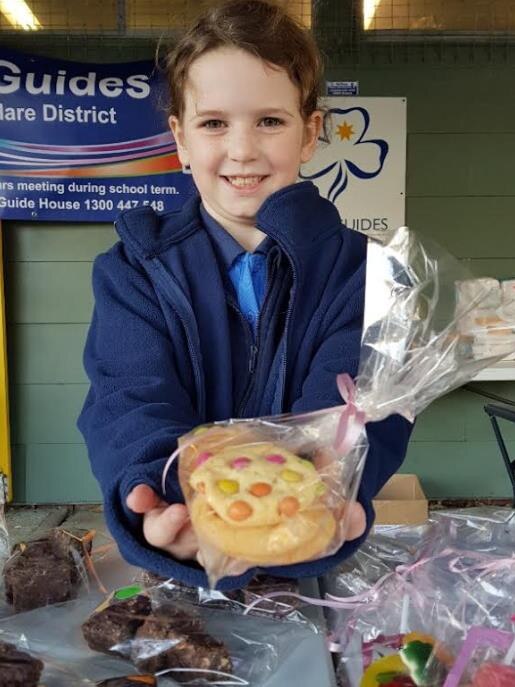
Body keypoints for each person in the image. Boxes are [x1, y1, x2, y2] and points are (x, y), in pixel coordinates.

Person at [78, 0, 412, 590]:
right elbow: (129, 396)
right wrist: (162, 486)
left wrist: (331, 480)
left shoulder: (362, 274)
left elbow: (359, 400)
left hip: (306, 550)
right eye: (213, 124)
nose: (241, 150)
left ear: (310, 132)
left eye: (269, 121)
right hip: (177, 552)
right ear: (180, 138)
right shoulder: (134, 270)